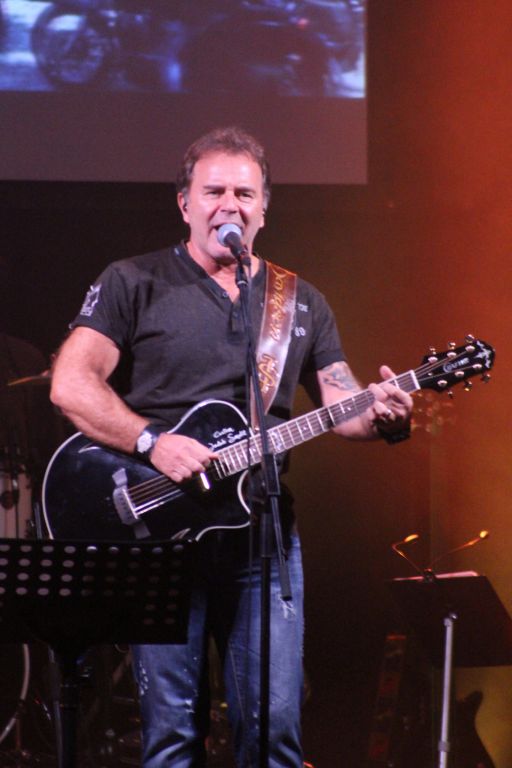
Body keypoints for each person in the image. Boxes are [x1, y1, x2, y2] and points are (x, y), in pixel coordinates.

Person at [49, 126, 413, 767]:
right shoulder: (134, 281)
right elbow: (70, 384)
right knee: (172, 738)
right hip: (162, 539)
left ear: (263, 209)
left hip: (261, 543)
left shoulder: (298, 302)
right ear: (184, 204)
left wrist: (383, 414)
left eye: (244, 194)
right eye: (213, 191)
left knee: (274, 732)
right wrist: (152, 442)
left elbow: (343, 406)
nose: (229, 205)